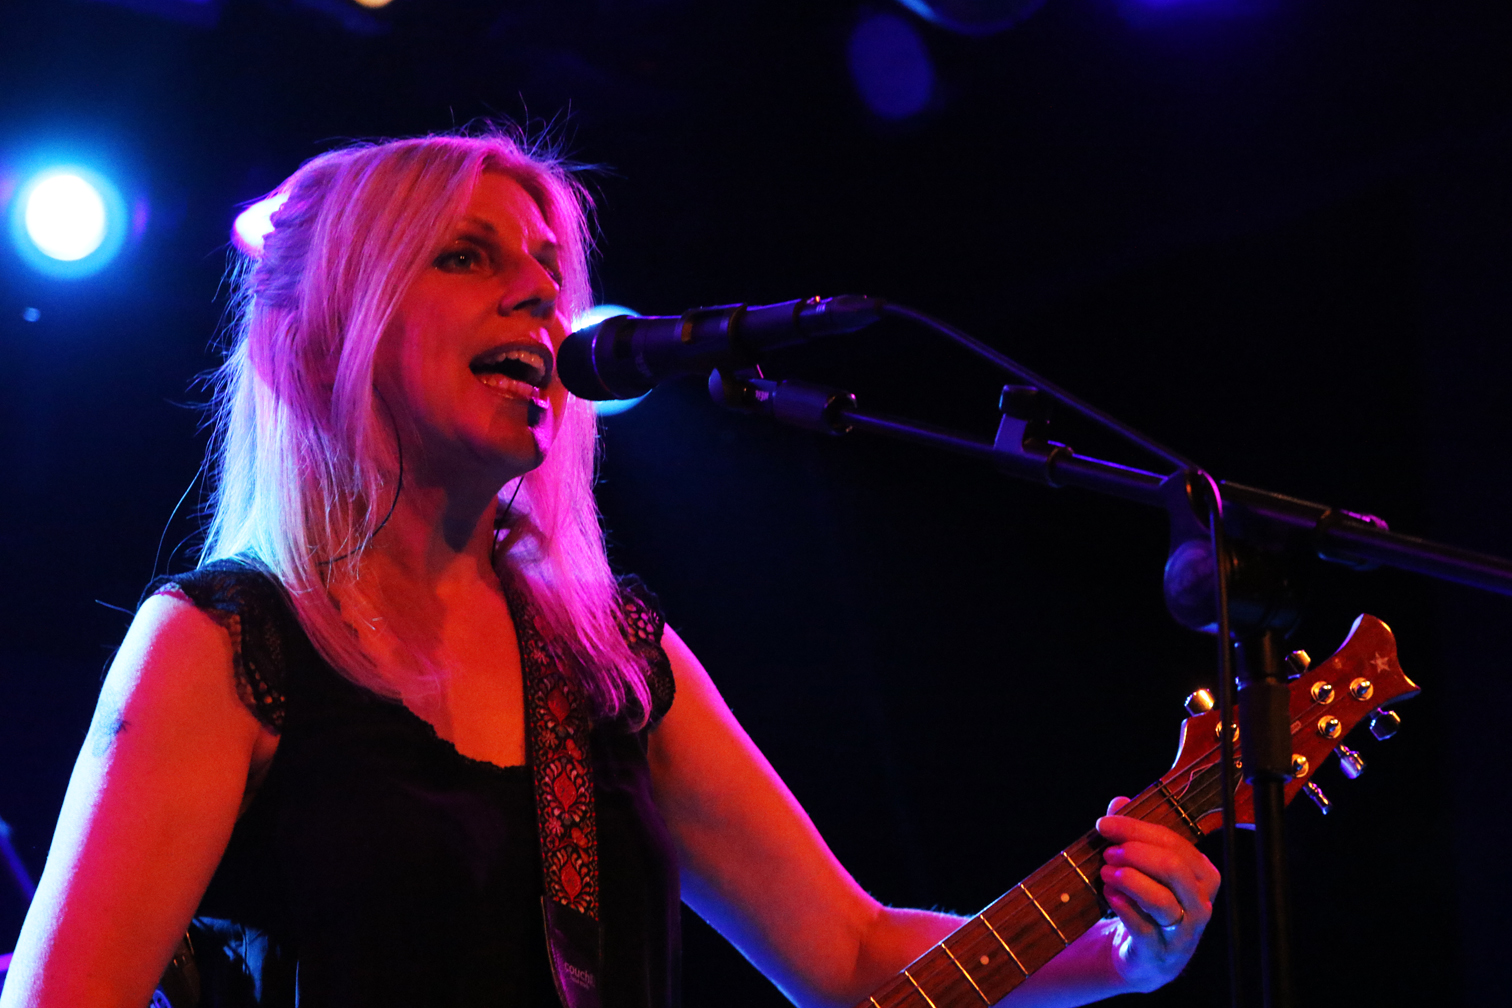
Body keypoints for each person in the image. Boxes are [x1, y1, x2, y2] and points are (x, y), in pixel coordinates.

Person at [0, 130, 1220, 1008]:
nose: (539, 297)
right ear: (329, 333)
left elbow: (848, 956)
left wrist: (1117, 955)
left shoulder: (609, 658)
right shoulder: (225, 646)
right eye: (467, 257)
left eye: (547, 273)